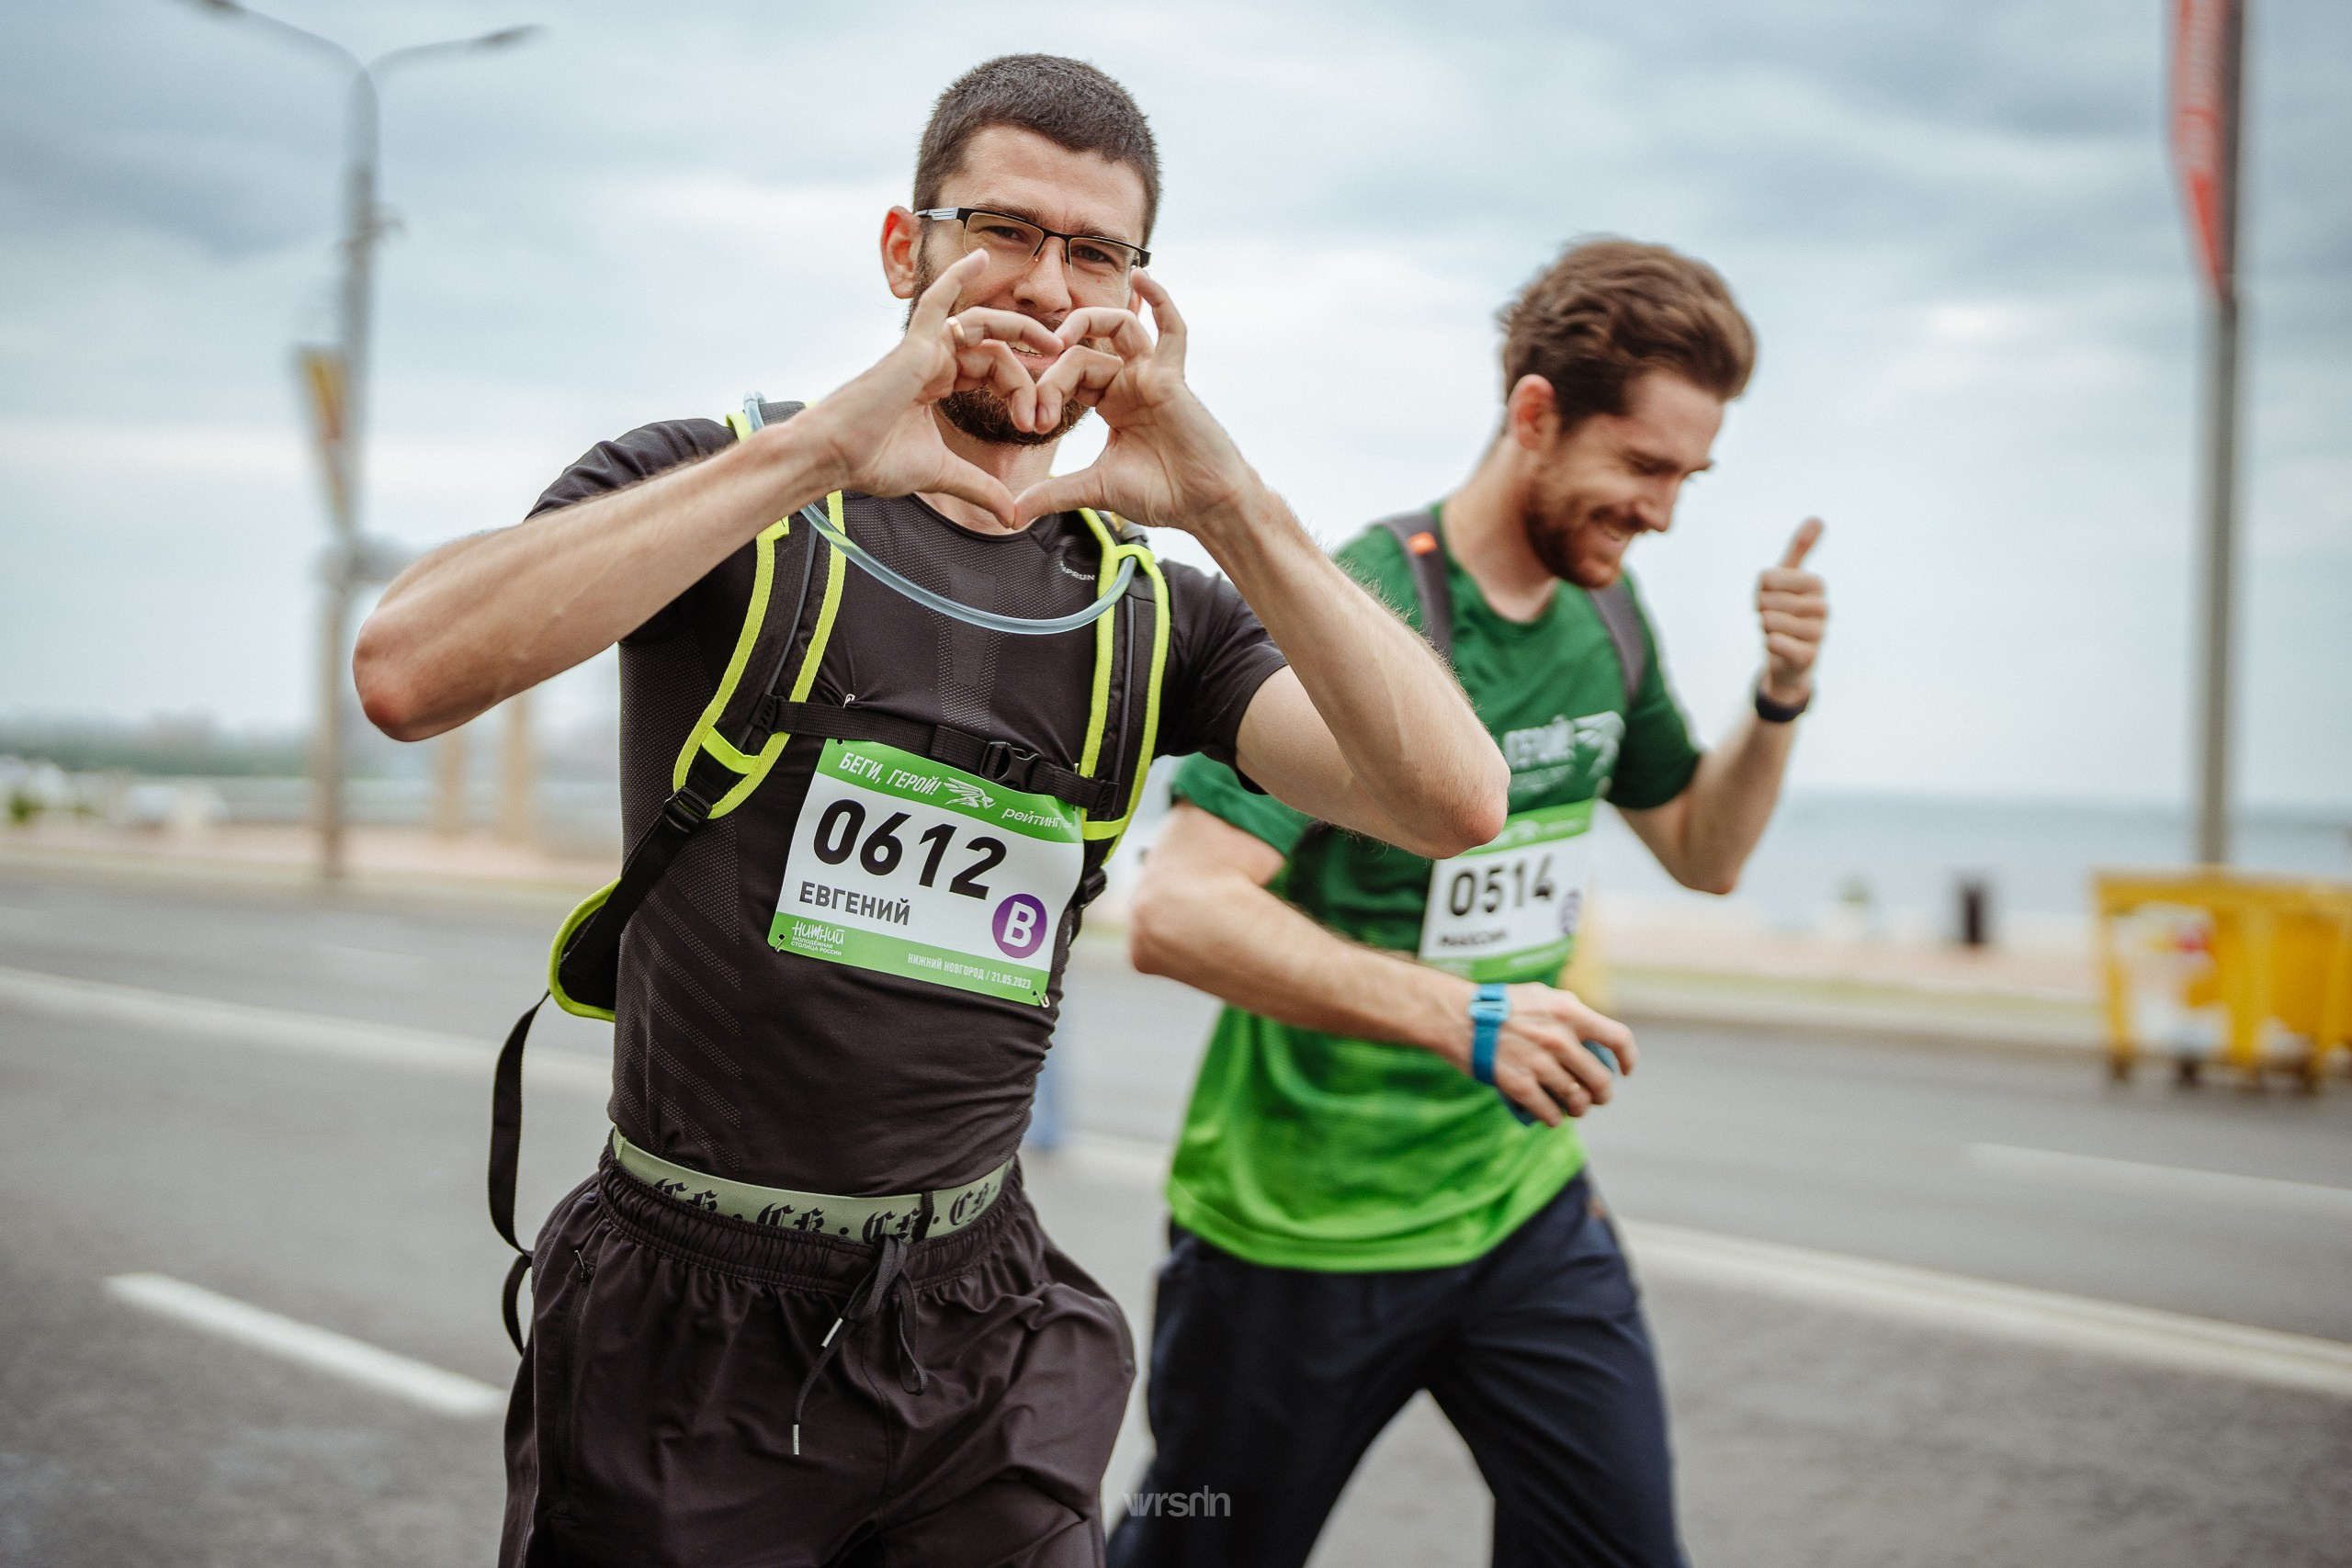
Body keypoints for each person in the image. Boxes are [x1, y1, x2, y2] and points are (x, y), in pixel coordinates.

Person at [352, 54, 1507, 1568]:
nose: (1044, 284)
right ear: (907, 250)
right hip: (690, 1320)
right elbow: (407, 669)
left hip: (982, 1327)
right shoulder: (730, 487)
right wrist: (819, 451)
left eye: (1095, 253)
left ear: (1140, 300)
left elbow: (1452, 800)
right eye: (1003, 230)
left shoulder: (1153, 613)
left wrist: (1230, 499)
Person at [1108, 239, 1830, 1568]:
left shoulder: (1605, 624)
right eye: (1645, 468)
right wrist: (1461, 1015)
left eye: (1690, 477)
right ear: (1536, 415)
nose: (1665, 511)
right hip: (1298, 1235)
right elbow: (1180, 913)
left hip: (1522, 1213)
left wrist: (1779, 697)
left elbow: (1703, 853)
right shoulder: (1367, 603)